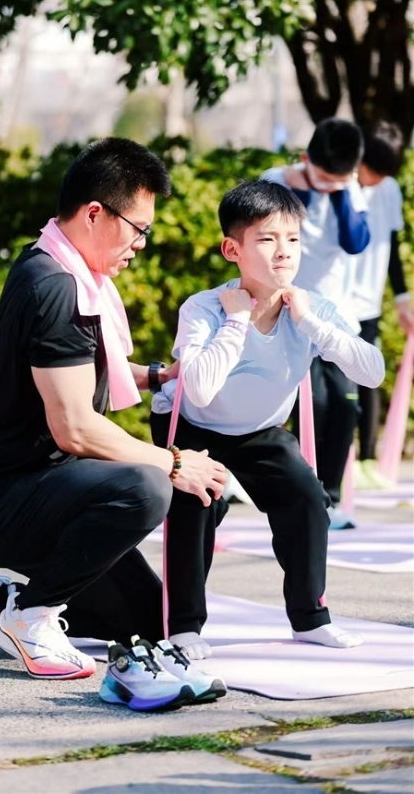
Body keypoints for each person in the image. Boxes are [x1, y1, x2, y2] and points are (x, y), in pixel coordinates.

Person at [0, 138, 228, 708]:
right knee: (149, 483)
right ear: (94, 214)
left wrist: (159, 376)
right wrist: (176, 461)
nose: (140, 245)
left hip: (51, 494)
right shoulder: (56, 288)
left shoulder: (59, 265)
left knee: (151, 620)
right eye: (139, 229)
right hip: (8, 502)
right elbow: (76, 427)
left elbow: (79, 371)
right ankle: (29, 615)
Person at [150, 180, 384, 659]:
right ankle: (185, 627)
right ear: (232, 249)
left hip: (261, 431)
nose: (284, 252)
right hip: (195, 428)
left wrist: (312, 325)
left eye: (293, 239)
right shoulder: (203, 308)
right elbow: (198, 388)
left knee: (306, 499)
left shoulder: (311, 307)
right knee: (195, 508)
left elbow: (373, 372)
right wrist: (236, 320)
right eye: (267, 239)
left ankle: (310, 618)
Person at [261, 119, 368, 530]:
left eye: (338, 180)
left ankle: (332, 498)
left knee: (344, 405)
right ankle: (305, 495)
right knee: (310, 403)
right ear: (306, 160)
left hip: (334, 316)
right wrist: (302, 189)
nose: (328, 186)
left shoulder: (346, 187)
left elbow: (355, 241)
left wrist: (341, 192)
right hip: (287, 312)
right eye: (323, 178)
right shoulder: (277, 182)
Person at [351, 121, 414, 488]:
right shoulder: (340, 186)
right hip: (333, 303)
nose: (375, 180)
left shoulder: (388, 190)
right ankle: (333, 462)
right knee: (329, 388)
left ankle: (368, 460)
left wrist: (402, 299)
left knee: (368, 378)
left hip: (368, 303)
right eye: (373, 171)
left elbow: (390, 249)